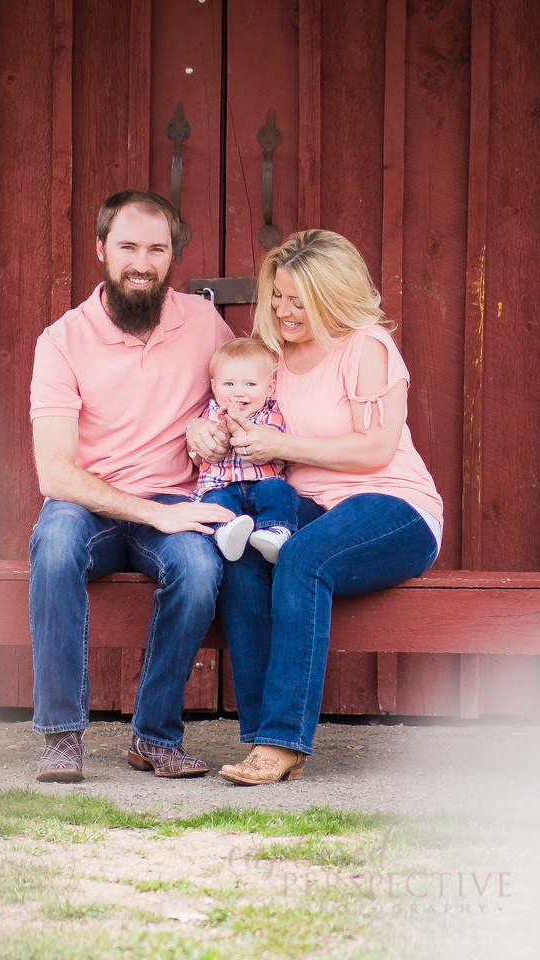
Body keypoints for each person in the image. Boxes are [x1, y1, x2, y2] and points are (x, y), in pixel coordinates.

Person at [187, 230, 443, 786]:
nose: (282, 309)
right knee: (245, 558)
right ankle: (259, 736)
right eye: (276, 295)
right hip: (306, 505)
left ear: (331, 296)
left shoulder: (366, 346)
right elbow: (233, 410)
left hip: (392, 504)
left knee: (302, 557)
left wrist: (281, 447)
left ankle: (284, 742)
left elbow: (374, 449)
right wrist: (202, 430)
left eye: (298, 300)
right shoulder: (270, 353)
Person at [29, 188, 235, 783]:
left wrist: (212, 423)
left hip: (172, 498)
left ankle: (154, 737)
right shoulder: (62, 341)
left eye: (156, 248)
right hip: (85, 501)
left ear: (172, 257)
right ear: (101, 250)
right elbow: (55, 472)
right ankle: (61, 738)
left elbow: (246, 391)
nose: (141, 262)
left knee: (199, 569)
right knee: (54, 546)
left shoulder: (202, 321)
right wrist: (151, 513)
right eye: (127, 246)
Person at [189, 338, 299, 563]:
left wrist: (234, 429)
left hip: (262, 484)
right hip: (221, 487)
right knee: (215, 502)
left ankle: (275, 531)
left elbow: (269, 446)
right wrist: (213, 437)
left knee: (279, 491)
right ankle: (226, 532)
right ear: (214, 386)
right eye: (229, 384)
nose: (239, 393)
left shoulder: (271, 414)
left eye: (250, 384)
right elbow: (200, 458)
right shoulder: (209, 416)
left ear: (269, 388)